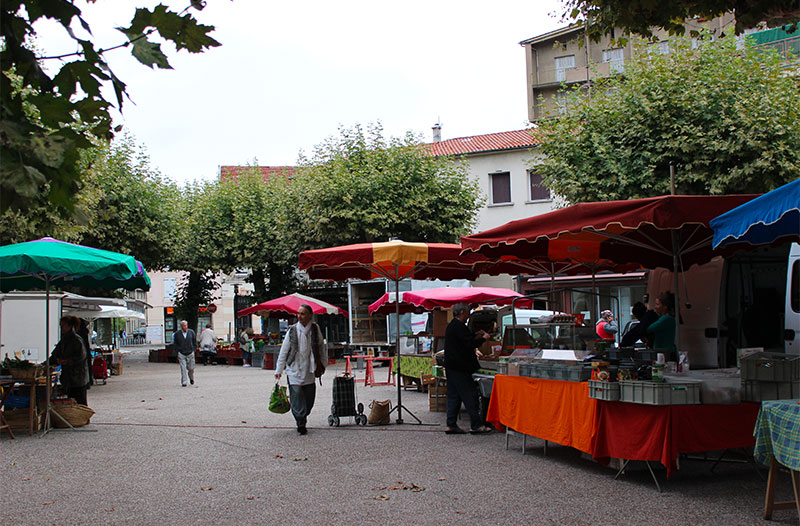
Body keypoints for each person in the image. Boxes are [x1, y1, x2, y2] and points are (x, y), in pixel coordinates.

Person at [274, 304, 326, 435]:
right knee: (296, 396)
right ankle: (300, 421)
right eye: (298, 313)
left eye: (302, 314)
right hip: (294, 369)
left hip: (310, 369)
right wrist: (279, 370)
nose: (299, 316)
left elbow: (321, 347)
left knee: (309, 398)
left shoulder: (315, 329)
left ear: (310, 315)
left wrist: (323, 364)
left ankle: (303, 415)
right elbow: (284, 351)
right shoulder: (292, 330)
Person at [443, 303, 493, 435]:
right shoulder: (459, 327)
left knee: (454, 396)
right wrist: (483, 338)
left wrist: (474, 334)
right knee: (470, 395)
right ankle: (476, 425)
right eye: (467, 313)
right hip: (460, 367)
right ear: (461, 314)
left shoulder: (453, 326)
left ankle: (451, 424)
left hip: (451, 367)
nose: (468, 315)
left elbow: (464, 339)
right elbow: (468, 344)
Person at [50, 316, 90, 406]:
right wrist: (46, 364)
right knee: (73, 402)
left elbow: (81, 357)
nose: (61, 328)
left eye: (63, 326)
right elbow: (55, 355)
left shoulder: (76, 340)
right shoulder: (64, 340)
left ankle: (83, 419)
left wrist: (67, 361)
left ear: (69, 326)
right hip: (69, 379)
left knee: (80, 403)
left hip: (78, 378)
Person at [647, 292, 677, 359]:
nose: (655, 307)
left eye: (657, 304)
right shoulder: (661, 317)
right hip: (662, 352)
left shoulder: (666, 319)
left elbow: (649, 329)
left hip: (665, 353)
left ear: (665, 307)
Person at [173, 320, 197, 387]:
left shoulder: (191, 332)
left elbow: (194, 341)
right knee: (183, 368)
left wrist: (194, 349)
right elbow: (175, 343)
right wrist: (178, 350)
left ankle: (191, 378)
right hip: (181, 353)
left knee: (191, 368)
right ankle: (184, 381)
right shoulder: (177, 334)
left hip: (190, 352)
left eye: (186, 325)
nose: (185, 327)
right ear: (181, 326)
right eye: (183, 326)